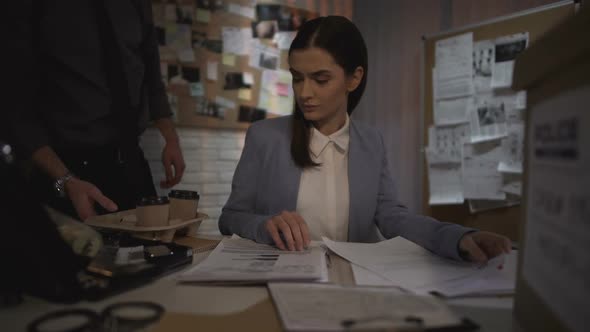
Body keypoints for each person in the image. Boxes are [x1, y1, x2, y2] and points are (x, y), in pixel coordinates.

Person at [219, 16, 511, 263]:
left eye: (320, 79)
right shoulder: (264, 137)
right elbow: (230, 217)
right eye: (297, 78)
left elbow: (391, 216)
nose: (304, 92)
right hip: (283, 280)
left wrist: (458, 236)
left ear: (354, 78)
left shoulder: (371, 141)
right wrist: (264, 226)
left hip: (353, 283)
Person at [7, 1, 185, 221]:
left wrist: (171, 138)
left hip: (130, 161)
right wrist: (66, 180)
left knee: (153, 250)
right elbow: (16, 108)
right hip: (66, 168)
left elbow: (151, 71)